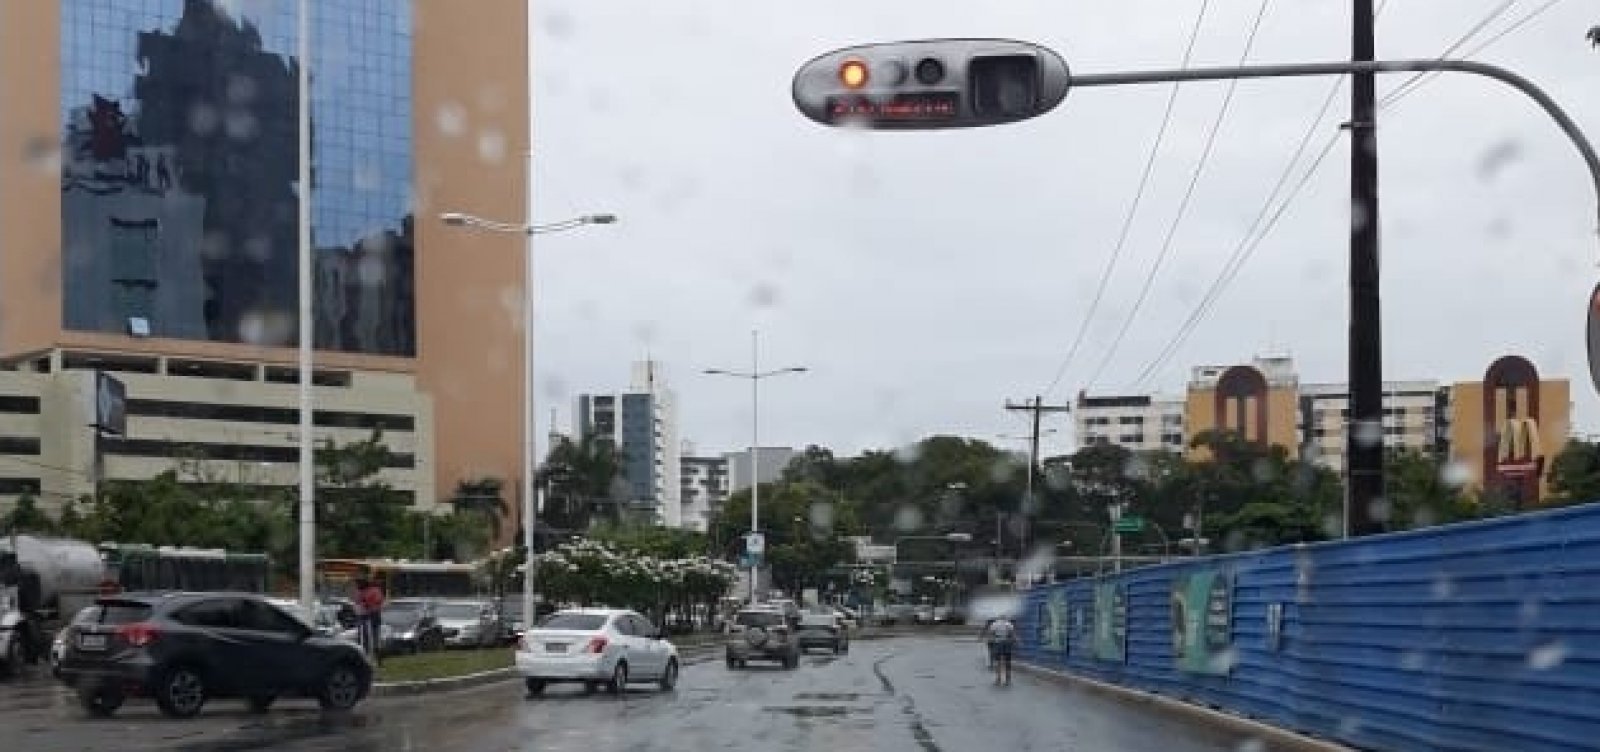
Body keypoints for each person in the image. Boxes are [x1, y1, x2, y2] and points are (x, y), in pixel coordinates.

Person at [357, 578, 386, 661]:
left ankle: (377, 656)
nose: (359, 586)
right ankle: (365, 654)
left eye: (360, 584)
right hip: (364, 615)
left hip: (374, 614)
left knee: (375, 636)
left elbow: (378, 600)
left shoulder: (375, 590)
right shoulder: (361, 591)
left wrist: (368, 603)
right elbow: (358, 601)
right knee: (364, 635)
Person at [985, 615, 1017, 686]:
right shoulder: (1009, 624)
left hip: (998, 643)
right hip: (1007, 643)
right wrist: (1015, 640)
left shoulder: (994, 624)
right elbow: (1013, 634)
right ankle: (1008, 679)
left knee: (998, 661)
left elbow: (991, 634)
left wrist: (990, 641)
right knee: (1007, 662)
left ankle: (998, 679)